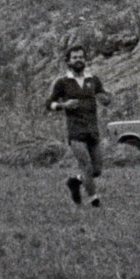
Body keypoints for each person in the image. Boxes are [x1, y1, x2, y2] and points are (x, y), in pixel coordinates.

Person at [47, 46, 111, 205]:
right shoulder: (63, 82)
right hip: (75, 130)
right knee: (86, 166)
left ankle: (74, 181)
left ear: (85, 60)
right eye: (75, 57)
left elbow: (105, 97)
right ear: (68, 61)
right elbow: (49, 104)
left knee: (96, 170)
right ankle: (94, 200)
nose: (78, 60)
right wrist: (64, 105)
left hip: (92, 129)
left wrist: (106, 99)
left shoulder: (93, 80)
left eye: (81, 57)